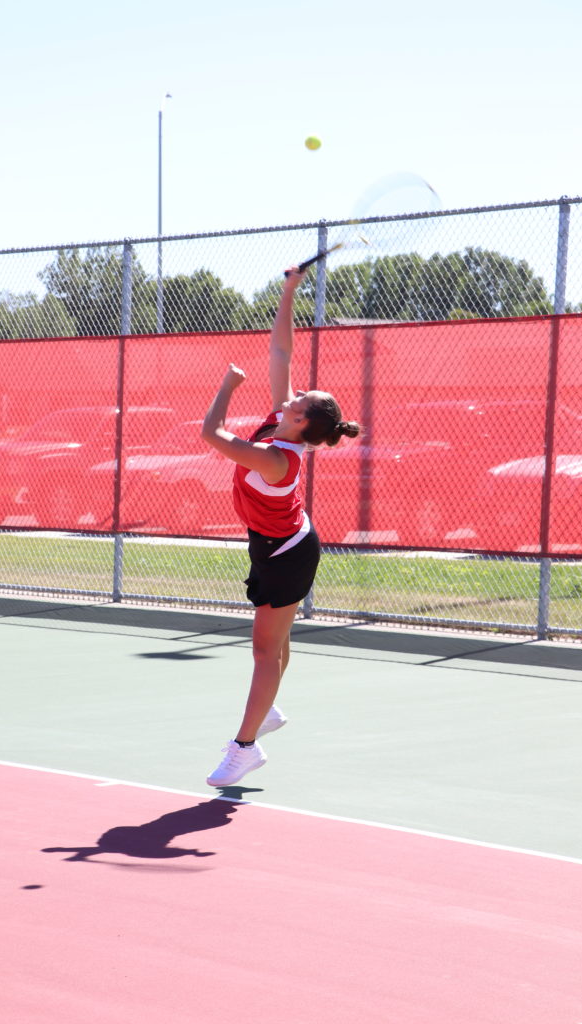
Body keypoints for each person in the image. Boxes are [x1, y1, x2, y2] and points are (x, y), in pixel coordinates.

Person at [201, 265, 360, 786]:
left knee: (265, 649)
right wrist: (290, 290)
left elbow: (212, 433)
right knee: (272, 642)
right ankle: (265, 711)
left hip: (288, 551)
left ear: (302, 422)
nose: (289, 396)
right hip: (273, 543)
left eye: (298, 400)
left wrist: (228, 383)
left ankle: (244, 748)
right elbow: (281, 352)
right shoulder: (282, 424)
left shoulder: (276, 457)